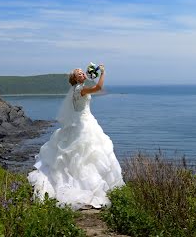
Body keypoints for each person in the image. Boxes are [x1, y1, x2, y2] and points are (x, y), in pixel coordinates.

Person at [28, 64, 124, 209]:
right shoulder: (79, 89)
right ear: (74, 78)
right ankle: (88, 188)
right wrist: (103, 73)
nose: (81, 73)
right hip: (84, 125)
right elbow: (98, 88)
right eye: (78, 73)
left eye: (82, 72)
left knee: (84, 156)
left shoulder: (76, 89)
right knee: (87, 155)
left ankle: (85, 185)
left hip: (83, 121)